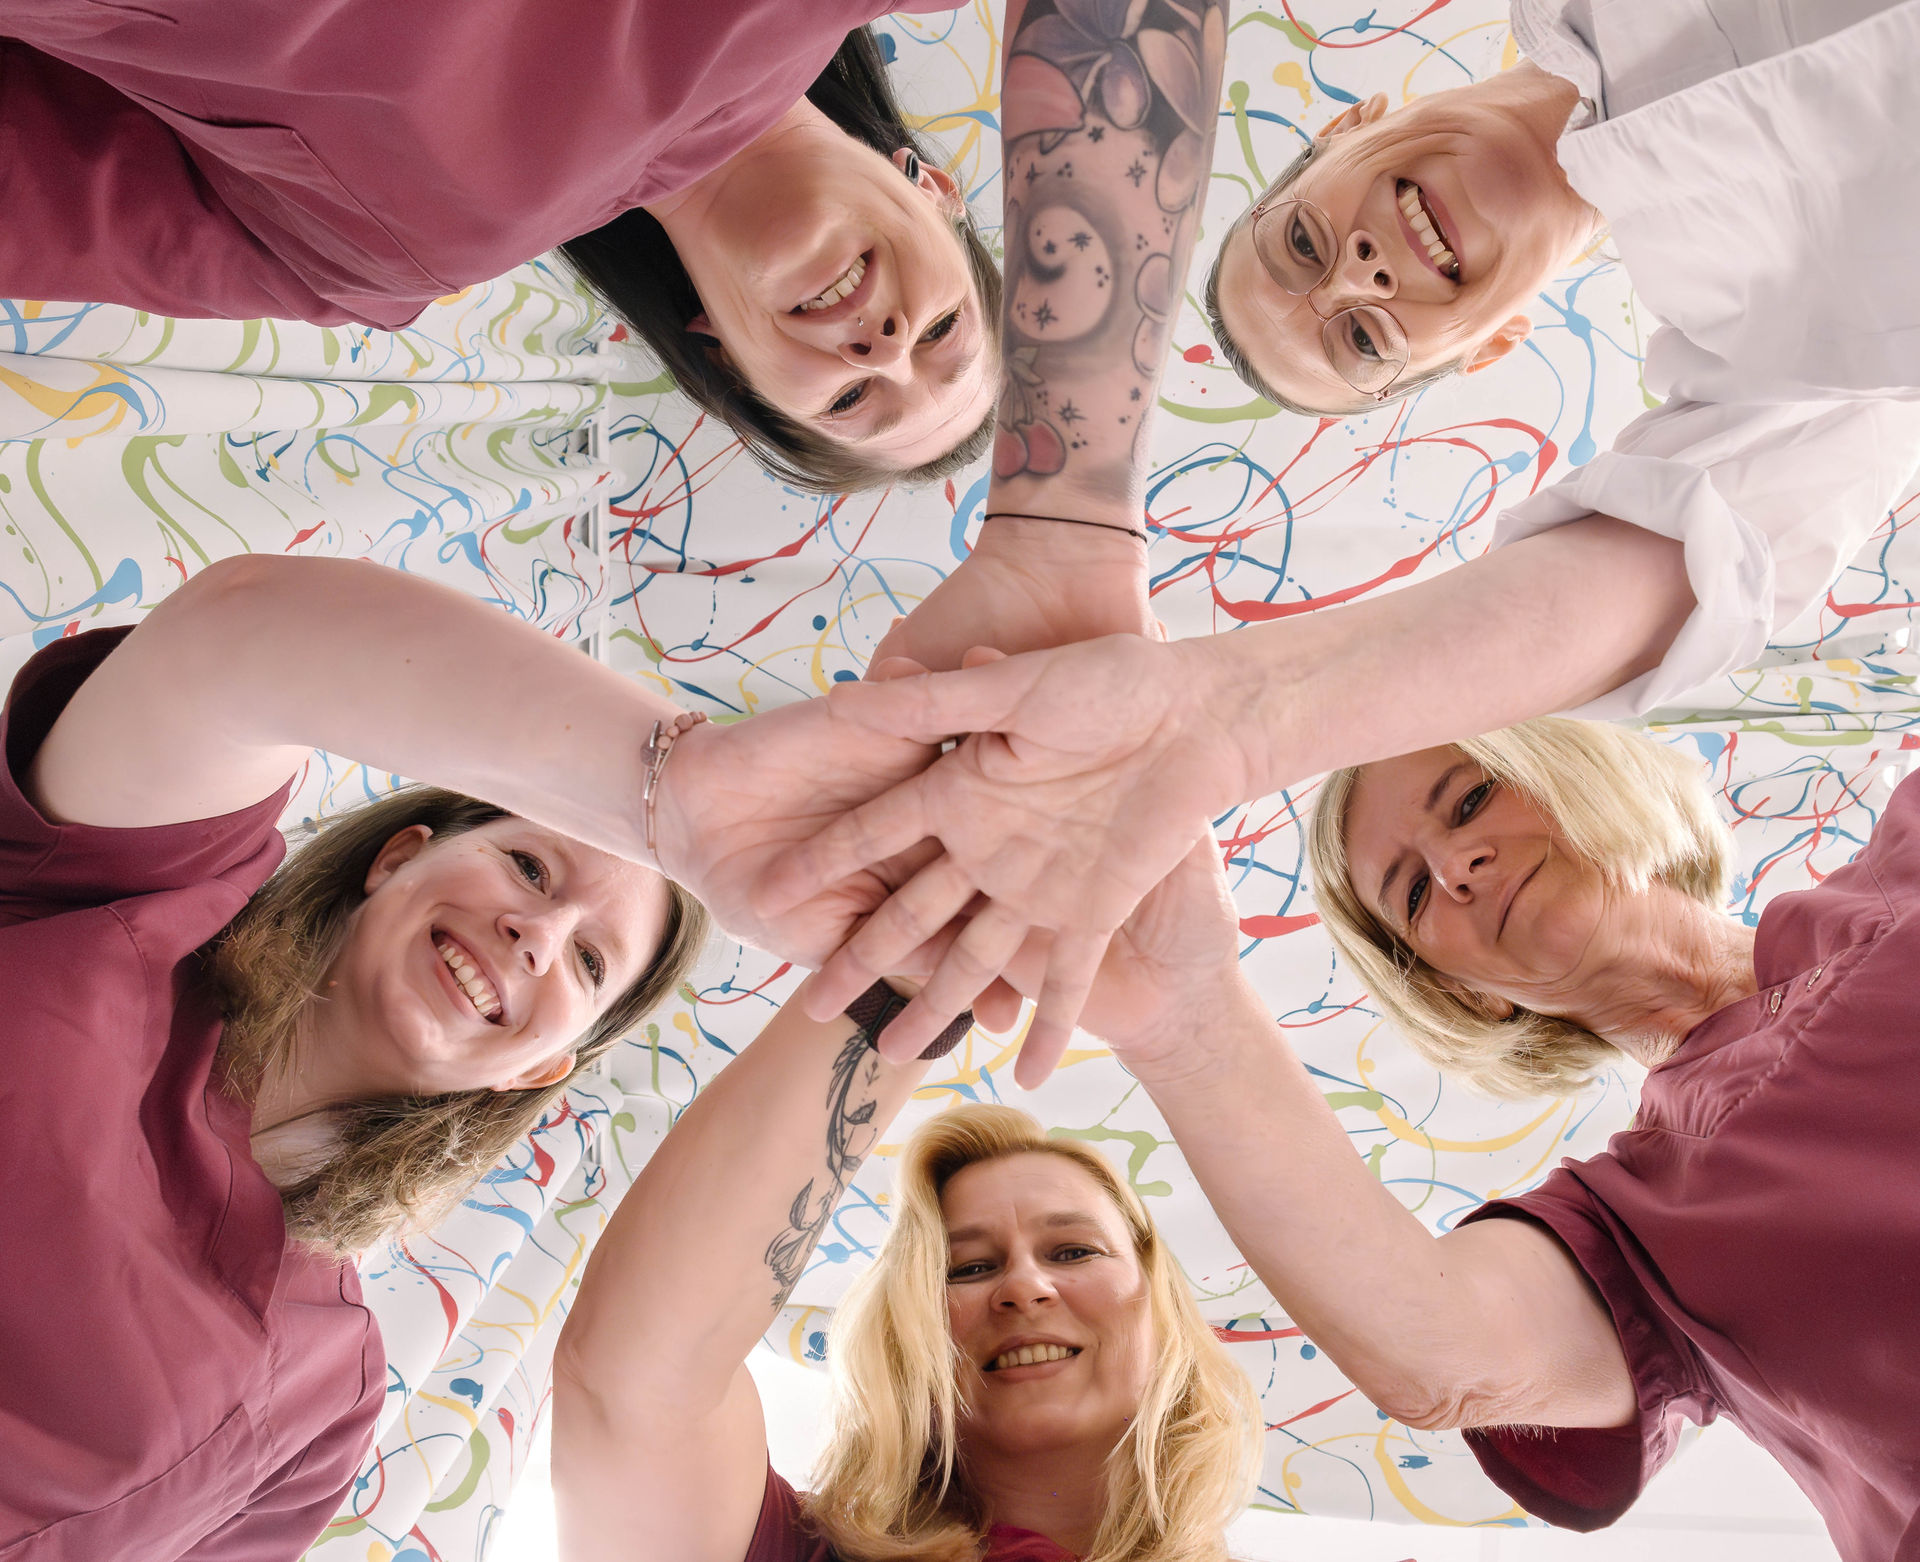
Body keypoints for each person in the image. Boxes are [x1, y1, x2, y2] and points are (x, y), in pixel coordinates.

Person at [757, 0, 1920, 1056]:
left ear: (1350, 125)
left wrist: (1064, 517)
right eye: (1363, 336)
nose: (1359, 270)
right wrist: (1207, 723)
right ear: (1486, 351)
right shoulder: (1780, 350)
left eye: (1306, 242)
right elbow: (1667, 565)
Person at [0, 547, 956, 1558]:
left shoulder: (329, 1397)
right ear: (398, 856)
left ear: (538, 1068)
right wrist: (690, 794)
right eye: (529, 866)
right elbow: (238, 631)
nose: (538, 934)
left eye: (588, 960)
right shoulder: (147, 883)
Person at [1071, 719, 1920, 1562]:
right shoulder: (1636, 1232)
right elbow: (1434, 1348)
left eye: (1472, 800)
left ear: (1582, 772)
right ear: (1467, 993)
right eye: (1413, 894)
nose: (1454, 867)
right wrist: (1184, 1011)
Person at [0, 3, 999, 489]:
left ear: (730, 361)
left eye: (850, 400)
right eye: (943, 331)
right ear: (939, 190)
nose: (884, 350)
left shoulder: (371, 259)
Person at [551, 1002, 1259, 1562]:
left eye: (1073, 1252)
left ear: (1163, 1311)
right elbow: (632, 1377)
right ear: (907, 1337)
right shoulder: (791, 1549)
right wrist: (905, 990)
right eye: (968, 1268)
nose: (1024, 1287)